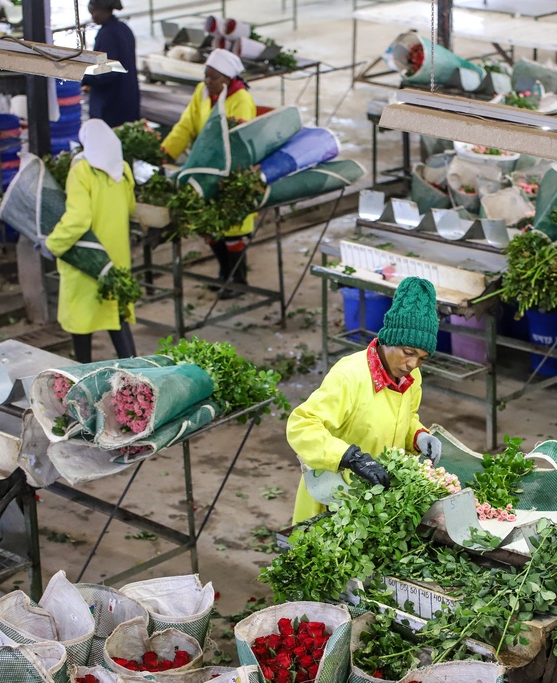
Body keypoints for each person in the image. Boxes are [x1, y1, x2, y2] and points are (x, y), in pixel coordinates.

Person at [286, 277, 443, 524]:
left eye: (423, 358)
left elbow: (403, 417)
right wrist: (350, 457)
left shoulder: (411, 377)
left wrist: (418, 436)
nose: (413, 364)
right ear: (389, 339)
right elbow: (301, 425)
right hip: (333, 495)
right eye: (408, 353)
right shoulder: (350, 376)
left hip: (375, 501)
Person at [36, 119, 138, 364]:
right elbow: (131, 208)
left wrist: (52, 244)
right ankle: (138, 371)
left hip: (87, 258)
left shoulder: (81, 171)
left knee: (82, 322)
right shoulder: (122, 169)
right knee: (116, 316)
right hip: (116, 257)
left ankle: (82, 373)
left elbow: (78, 219)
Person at [161, 49, 257, 298]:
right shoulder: (202, 93)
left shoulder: (241, 100)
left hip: (230, 174)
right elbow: (186, 124)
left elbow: (238, 141)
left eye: (213, 77)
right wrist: (167, 151)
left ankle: (238, 280)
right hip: (204, 170)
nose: (207, 81)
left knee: (231, 230)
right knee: (208, 228)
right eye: (206, 76)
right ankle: (224, 274)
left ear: (226, 79)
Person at [82, 0, 140, 127]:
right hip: (128, 101)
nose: (92, 17)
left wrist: (82, 77)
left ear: (103, 10)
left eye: (93, 12)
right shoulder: (124, 29)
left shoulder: (107, 35)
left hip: (111, 107)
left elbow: (105, 74)